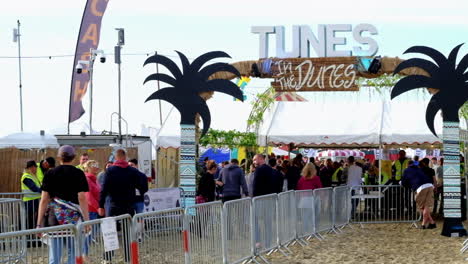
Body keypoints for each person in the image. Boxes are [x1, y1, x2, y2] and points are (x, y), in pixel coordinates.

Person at [36, 145, 89, 264]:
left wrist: (39, 224)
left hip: (54, 218)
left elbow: (44, 200)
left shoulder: (50, 173)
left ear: (59, 157)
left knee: (55, 256)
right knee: (74, 253)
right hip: (73, 219)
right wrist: (86, 221)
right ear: (74, 157)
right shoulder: (79, 173)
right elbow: (82, 198)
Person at [98, 149, 148, 262]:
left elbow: (103, 189)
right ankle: (128, 258)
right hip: (128, 206)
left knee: (110, 232)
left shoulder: (110, 170)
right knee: (127, 233)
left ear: (116, 158)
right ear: (125, 157)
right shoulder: (132, 171)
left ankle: (108, 258)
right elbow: (143, 188)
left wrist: (100, 205)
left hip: (113, 205)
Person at [401, 160, 436, 229]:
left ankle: (423, 224)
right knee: (426, 206)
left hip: (421, 188)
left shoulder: (407, 170)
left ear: (408, 165)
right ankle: (432, 223)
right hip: (429, 185)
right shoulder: (419, 169)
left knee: (422, 207)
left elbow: (404, 183)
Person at [83, 160, 101, 257]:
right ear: (88, 167)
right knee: (88, 235)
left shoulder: (94, 179)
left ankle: (84, 255)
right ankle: (84, 255)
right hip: (90, 211)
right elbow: (88, 196)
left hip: (94, 210)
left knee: (91, 235)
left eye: (97, 164)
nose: (97, 167)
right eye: (94, 165)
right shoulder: (87, 179)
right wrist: (98, 207)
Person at [21, 160, 41, 230]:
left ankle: (33, 235)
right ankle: (27, 236)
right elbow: (34, 188)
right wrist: (44, 191)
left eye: (35, 167)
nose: (34, 169)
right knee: (29, 219)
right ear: (27, 168)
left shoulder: (33, 176)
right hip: (29, 201)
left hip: (35, 200)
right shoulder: (26, 177)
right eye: (31, 167)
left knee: (35, 219)